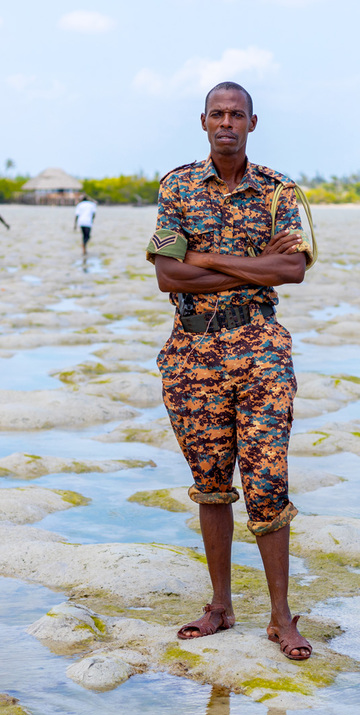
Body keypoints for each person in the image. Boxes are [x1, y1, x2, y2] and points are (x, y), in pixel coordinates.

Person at [146, 81, 313, 661]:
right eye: (217, 113)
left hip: (261, 349)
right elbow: (168, 275)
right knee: (211, 484)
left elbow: (292, 267)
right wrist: (251, 269)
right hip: (193, 354)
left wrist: (210, 258)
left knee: (267, 483)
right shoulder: (178, 187)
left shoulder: (278, 192)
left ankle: (280, 617)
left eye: (236, 114)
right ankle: (220, 605)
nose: (226, 123)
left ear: (252, 123)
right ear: (202, 121)